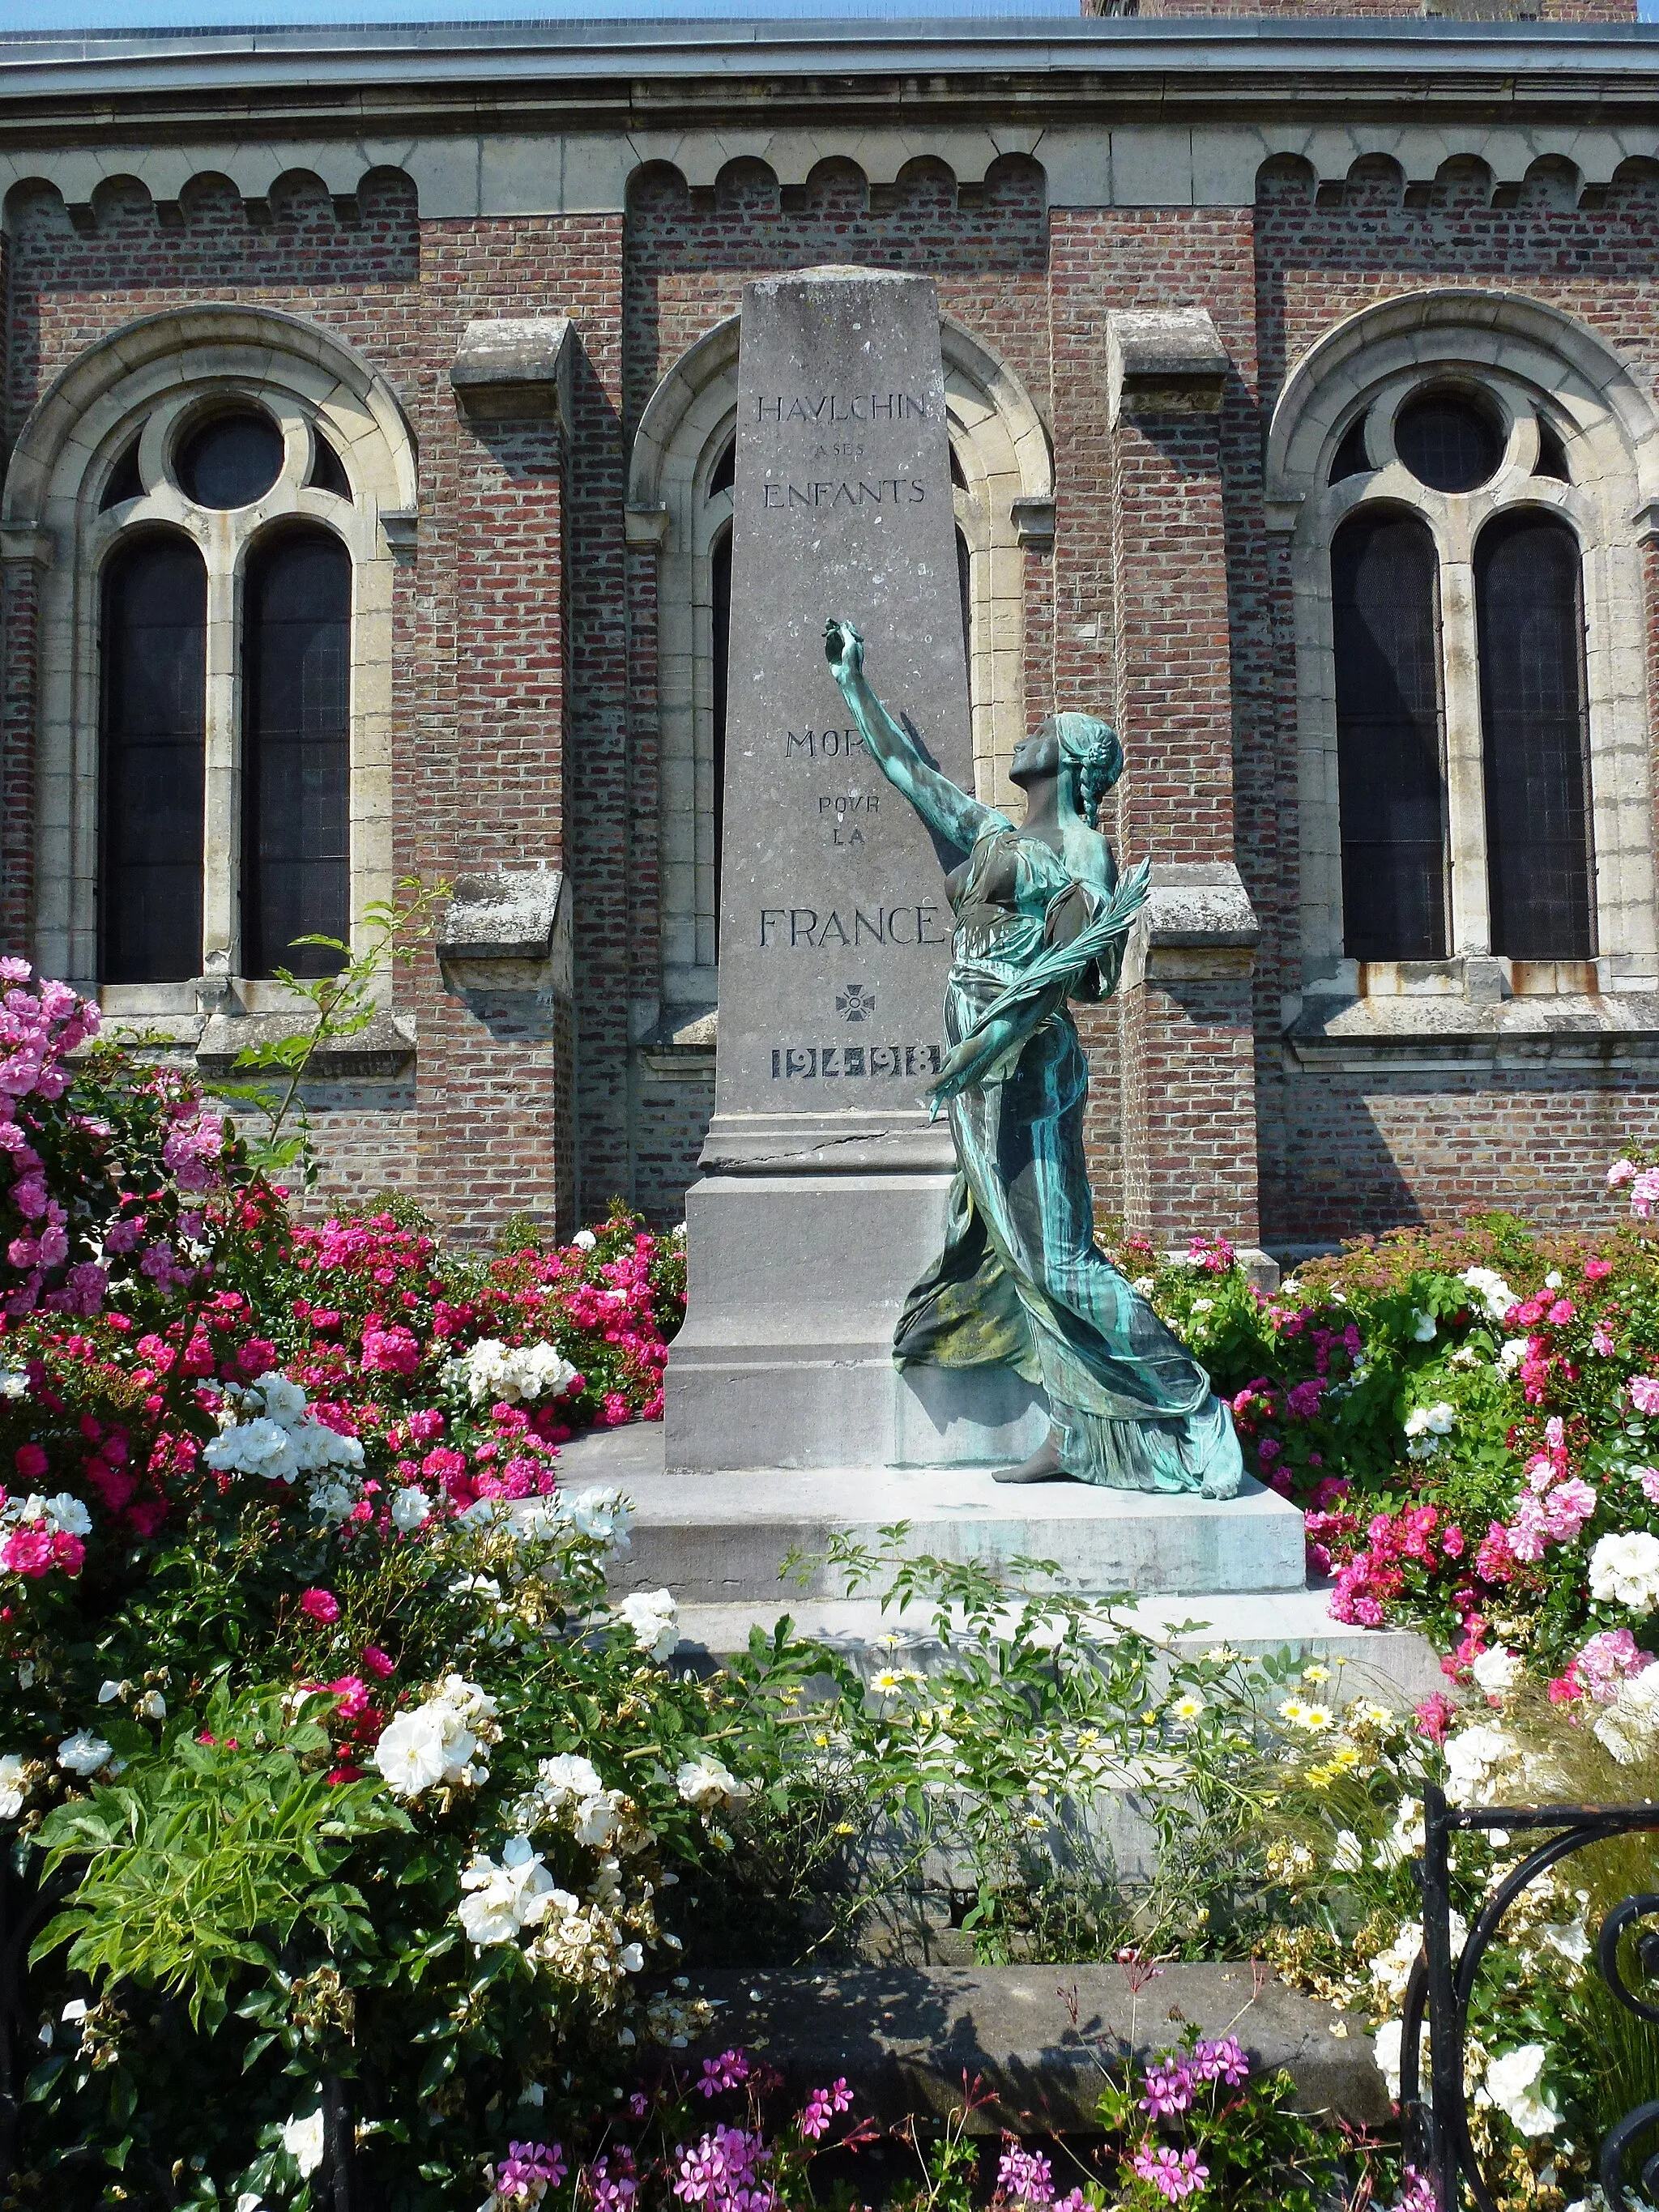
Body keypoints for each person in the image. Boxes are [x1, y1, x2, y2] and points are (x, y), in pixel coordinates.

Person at [824, 617, 1243, 1496]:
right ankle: (1081, 1430)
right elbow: (910, 775)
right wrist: (852, 683)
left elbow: (1086, 975)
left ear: (1071, 760)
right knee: (1018, 1259)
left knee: (1056, 1260)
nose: (1022, 735)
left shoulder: (1080, 848)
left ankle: (1188, 1399)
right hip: (983, 1062)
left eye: (1040, 731)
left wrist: (1009, 1013)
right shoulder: (995, 835)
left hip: (1021, 1064)